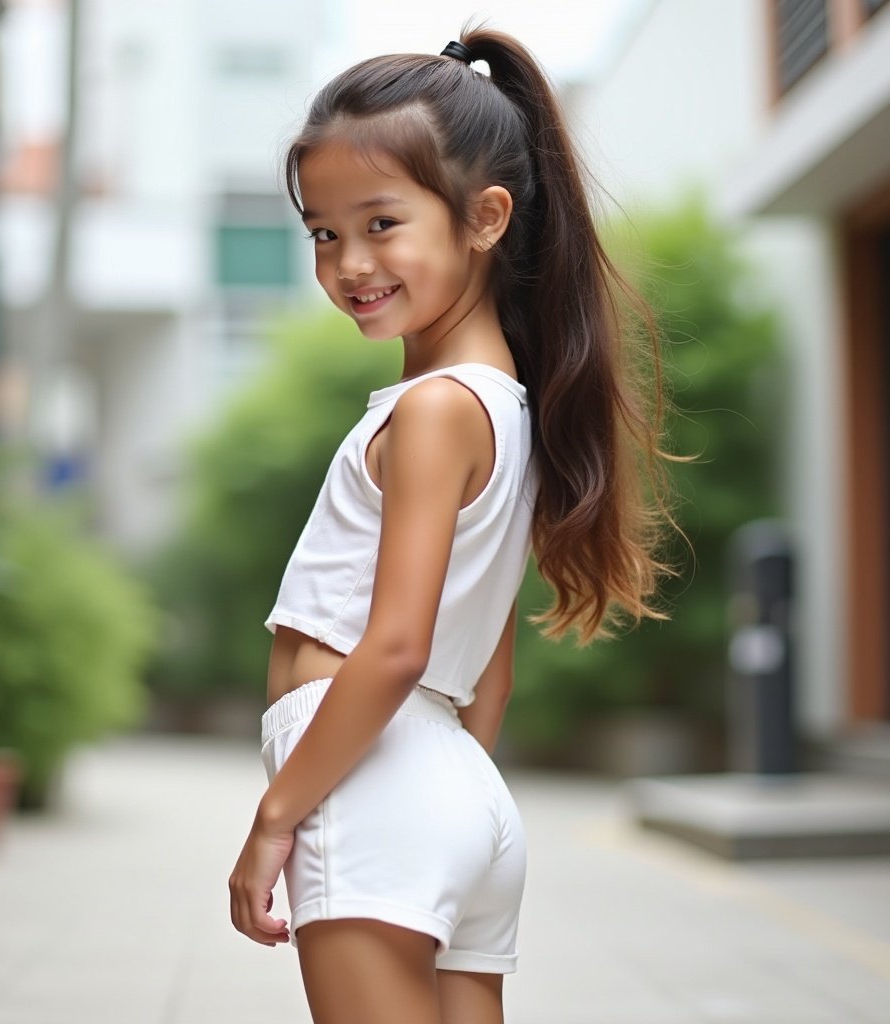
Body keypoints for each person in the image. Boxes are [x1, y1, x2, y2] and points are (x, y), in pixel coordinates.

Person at [229, 26, 672, 1024]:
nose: (348, 262)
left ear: (485, 218)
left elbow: (393, 649)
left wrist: (274, 817)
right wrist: (447, 804)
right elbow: (493, 665)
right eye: (323, 232)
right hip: (458, 789)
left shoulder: (432, 413)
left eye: (381, 222)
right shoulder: (503, 405)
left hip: (375, 781)